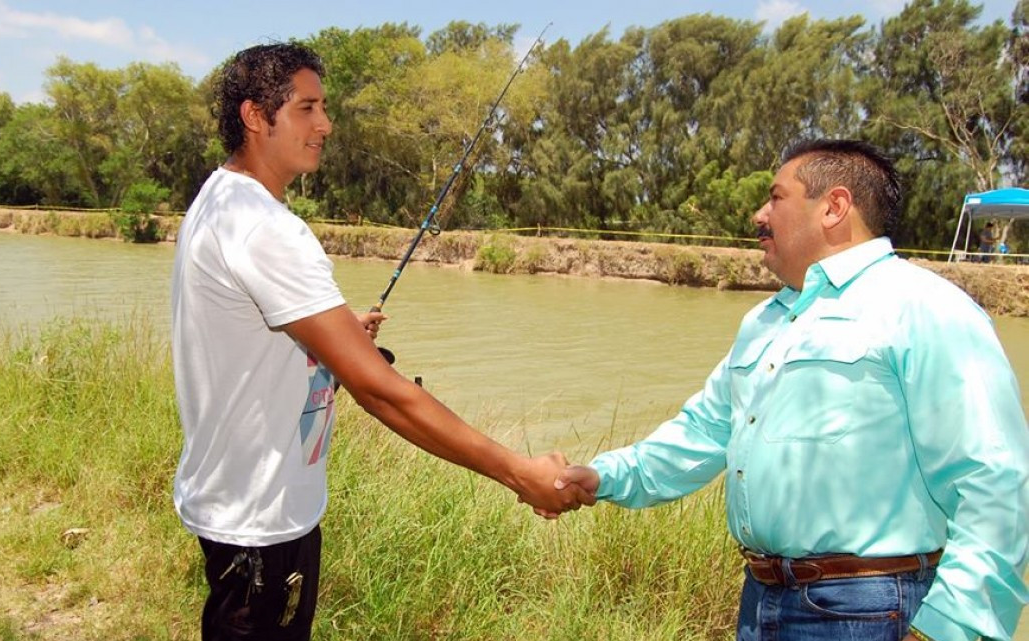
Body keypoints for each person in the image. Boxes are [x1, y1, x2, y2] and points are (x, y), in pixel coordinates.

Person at [170, 43, 589, 641]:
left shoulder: (220, 199)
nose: (325, 123)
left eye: (324, 107)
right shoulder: (265, 228)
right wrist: (517, 470)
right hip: (262, 524)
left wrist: (337, 340)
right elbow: (382, 392)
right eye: (307, 108)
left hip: (237, 505)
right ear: (255, 117)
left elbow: (249, 336)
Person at [551, 139, 1029, 641]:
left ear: (834, 207)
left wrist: (946, 629)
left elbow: (995, 480)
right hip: (761, 600)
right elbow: (703, 433)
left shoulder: (925, 308)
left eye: (776, 198)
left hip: (870, 610)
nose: (760, 214)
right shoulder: (767, 320)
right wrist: (600, 477)